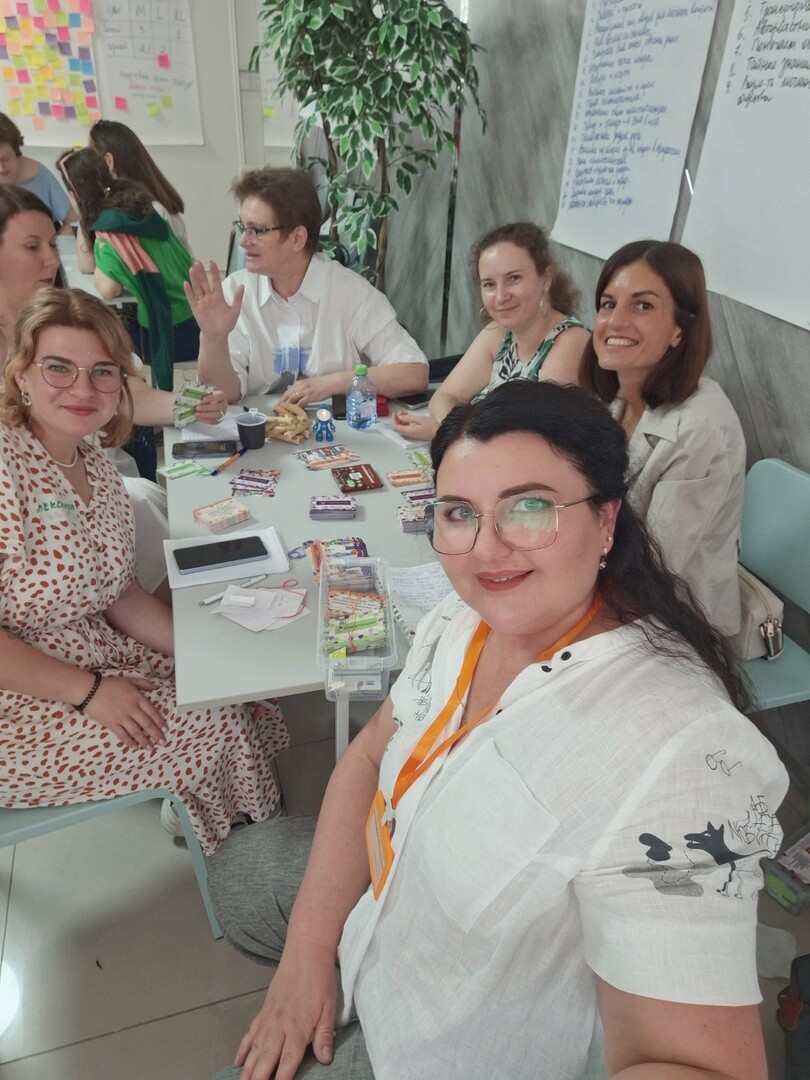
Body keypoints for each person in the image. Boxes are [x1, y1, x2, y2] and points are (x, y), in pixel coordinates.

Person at [206, 379, 786, 1080]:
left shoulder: (680, 751)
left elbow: (702, 1065)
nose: (486, 550)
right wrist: (306, 955)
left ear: (606, 521)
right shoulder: (463, 618)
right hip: (393, 901)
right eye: (459, 514)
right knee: (237, 874)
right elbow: (369, 754)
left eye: (530, 508)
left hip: (440, 1044)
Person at [0, 288, 289, 853]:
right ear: (22, 376)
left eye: (102, 372)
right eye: (58, 368)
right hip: (22, 699)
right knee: (214, 723)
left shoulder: (97, 468)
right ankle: (244, 850)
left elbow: (121, 595)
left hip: (91, 651)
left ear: (120, 386)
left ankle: (213, 809)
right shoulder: (6, 465)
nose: (82, 389)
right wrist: (91, 693)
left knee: (236, 686)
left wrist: (203, 649)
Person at [0, 183, 227, 592]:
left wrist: (191, 404)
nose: (52, 259)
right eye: (33, 247)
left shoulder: (72, 315)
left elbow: (128, 395)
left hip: (99, 487)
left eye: (52, 243)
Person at [580, 239, 745, 637]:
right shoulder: (616, 400)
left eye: (643, 305)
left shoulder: (700, 427)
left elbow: (654, 569)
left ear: (679, 329)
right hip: (607, 585)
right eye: (608, 304)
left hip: (678, 622)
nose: (615, 321)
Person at [184, 166, 429, 406]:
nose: (244, 241)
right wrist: (212, 339)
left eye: (256, 230)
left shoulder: (349, 292)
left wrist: (332, 383)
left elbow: (414, 373)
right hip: (262, 430)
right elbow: (222, 395)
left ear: (297, 238)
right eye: (243, 227)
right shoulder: (235, 291)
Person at [392, 221, 590, 442]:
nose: (501, 296)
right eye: (489, 284)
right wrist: (450, 428)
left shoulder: (570, 341)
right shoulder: (499, 332)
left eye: (514, 278)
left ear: (546, 278)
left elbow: (534, 435)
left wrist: (449, 431)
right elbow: (444, 397)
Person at [58, 147, 198, 391]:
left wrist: (86, 219)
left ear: (74, 194)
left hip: (172, 334)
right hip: (196, 320)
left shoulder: (110, 233)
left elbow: (107, 289)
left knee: (95, 336)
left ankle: (132, 405)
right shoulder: (143, 207)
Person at [88, 118, 191, 252]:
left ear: (108, 161)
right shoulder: (140, 205)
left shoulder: (148, 212)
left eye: (91, 157)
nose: (88, 166)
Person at [0, 113, 76, 232]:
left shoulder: (39, 175)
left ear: (16, 152)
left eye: (6, 159)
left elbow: (73, 221)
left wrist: (54, 238)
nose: (1, 169)